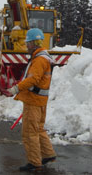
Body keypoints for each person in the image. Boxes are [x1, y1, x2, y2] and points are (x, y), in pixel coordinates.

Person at [9, 28, 57, 171]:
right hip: (41, 101)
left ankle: (34, 163)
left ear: (33, 43)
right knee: (39, 129)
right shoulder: (44, 57)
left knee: (30, 132)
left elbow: (33, 79)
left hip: (33, 101)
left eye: (28, 43)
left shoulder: (39, 60)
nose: (26, 46)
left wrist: (16, 89)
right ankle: (48, 154)